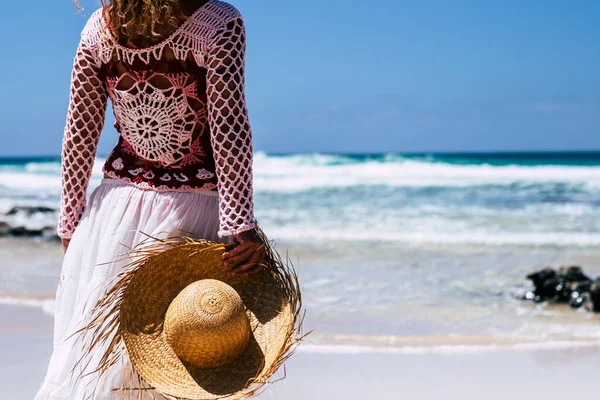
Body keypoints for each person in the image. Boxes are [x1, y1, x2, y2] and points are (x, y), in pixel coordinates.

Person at [35, 0, 264, 398]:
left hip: (113, 213)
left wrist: (71, 224)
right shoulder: (218, 21)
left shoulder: (99, 27)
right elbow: (230, 131)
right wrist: (239, 223)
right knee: (179, 365)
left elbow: (79, 133)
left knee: (104, 361)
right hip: (193, 211)